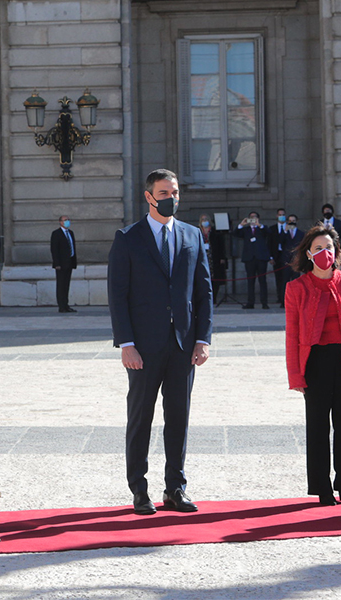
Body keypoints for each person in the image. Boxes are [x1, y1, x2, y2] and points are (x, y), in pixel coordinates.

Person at [108, 169, 213, 515]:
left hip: (183, 345)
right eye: (165, 192)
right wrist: (126, 344)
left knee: (178, 418)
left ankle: (175, 488)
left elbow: (203, 292)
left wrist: (202, 339)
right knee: (141, 418)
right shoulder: (128, 238)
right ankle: (139, 489)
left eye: (176, 192)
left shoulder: (192, 235)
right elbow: (117, 296)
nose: (172, 198)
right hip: (143, 347)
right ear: (149, 196)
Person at [284, 225, 341, 505]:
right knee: (318, 426)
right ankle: (322, 488)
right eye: (319, 248)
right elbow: (292, 334)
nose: (325, 253)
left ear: (337, 252)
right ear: (309, 254)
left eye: (329, 247)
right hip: (314, 362)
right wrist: (295, 375)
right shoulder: (296, 288)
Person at [236, 211, 270, 309]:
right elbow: (236, 233)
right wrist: (241, 225)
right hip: (249, 258)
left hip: (261, 258)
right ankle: (250, 302)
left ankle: (264, 302)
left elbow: (268, 233)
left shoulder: (262, 229)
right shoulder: (246, 230)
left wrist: (259, 225)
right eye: (251, 217)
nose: (253, 219)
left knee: (262, 281)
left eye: (255, 217)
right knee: (250, 281)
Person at [50, 215, 78, 313]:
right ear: (60, 222)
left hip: (69, 262)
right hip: (61, 264)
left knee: (66, 285)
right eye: (65, 220)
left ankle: (66, 305)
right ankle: (61, 306)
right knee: (61, 285)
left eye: (68, 220)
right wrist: (57, 263)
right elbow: (54, 249)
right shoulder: (56, 234)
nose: (67, 222)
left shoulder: (70, 233)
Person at [198, 214, 227, 301]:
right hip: (202, 257)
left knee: (214, 277)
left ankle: (213, 297)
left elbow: (221, 245)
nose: (204, 221)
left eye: (206, 219)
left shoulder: (215, 232)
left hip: (213, 257)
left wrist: (222, 257)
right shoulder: (197, 231)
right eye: (203, 219)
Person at [270, 208, 291, 308]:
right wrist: (270, 257)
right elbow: (269, 243)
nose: (281, 216)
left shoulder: (289, 227)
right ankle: (279, 296)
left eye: (283, 214)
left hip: (286, 255)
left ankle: (285, 297)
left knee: (286, 278)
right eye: (280, 214)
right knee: (278, 277)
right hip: (276, 255)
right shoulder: (272, 228)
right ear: (276, 216)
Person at [280, 215, 305, 283]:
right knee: (285, 281)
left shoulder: (301, 233)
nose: (292, 222)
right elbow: (280, 242)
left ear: (296, 221)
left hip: (296, 261)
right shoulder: (284, 232)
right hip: (286, 261)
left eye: (293, 221)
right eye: (290, 221)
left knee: (296, 281)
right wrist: (285, 231)